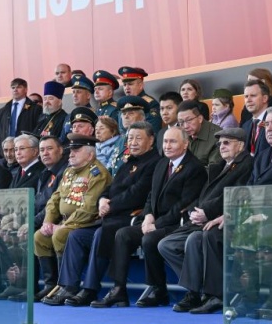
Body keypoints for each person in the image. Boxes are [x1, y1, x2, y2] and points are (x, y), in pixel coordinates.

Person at [45, 122, 160, 307]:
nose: (133, 142)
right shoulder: (129, 162)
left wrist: (110, 205)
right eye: (130, 138)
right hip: (111, 216)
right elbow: (111, 187)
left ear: (151, 140)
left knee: (101, 233)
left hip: (130, 217)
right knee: (76, 236)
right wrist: (103, 200)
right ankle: (68, 286)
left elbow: (138, 193)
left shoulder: (154, 163)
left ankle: (90, 289)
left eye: (138, 138)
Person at [92, 126, 206, 308]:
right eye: (165, 141)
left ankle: (159, 289)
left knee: (150, 239)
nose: (167, 145)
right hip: (155, 221)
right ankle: (119, 289)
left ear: (185, 144)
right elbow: (151, 196)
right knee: (123, 234)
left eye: (173, 141)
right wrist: (148, 216)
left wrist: (157, 224)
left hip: (177, 224)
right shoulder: (163, 163)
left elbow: (183, 205)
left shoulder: (195, 168)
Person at [158, 127, 253, 314]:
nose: (221, 146)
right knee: (166, 245)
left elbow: (236, 195)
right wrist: (194, 211)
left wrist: (207, 212)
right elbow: (202, 196)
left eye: (227, 143)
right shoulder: (219, 165)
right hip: (201, 219)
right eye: (219, 143)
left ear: (241, 145)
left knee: (195, 240)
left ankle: (203, 293)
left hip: (222, 220)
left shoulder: (246, 164)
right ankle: (200, 288)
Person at [34, 134, 112, 301]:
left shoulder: (97, 173)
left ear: (90, 155)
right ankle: (51, 284)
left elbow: (89, 208)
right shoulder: (69, 171)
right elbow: (54, 200)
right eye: (71, 151)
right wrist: (48, 221)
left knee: (60, 234)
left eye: (76, 151)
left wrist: (63, 226)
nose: (71, 154)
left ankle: (67, 286)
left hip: (87, 223)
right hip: (66, 221)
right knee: (40, 236)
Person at [0, 77, 41, 155]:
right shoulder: (3, 110)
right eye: (13, 88)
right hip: (6, 153)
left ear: (26, 89)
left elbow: (37, 131)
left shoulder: (35, 108)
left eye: (19, 87)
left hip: (26, 151)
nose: (15, 90)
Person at [118, 66, 161, 133]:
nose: (127, 88)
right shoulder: (122, 104)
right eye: (124, 85)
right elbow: (121, 130)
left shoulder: (151, 104)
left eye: (130, 84)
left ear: (140, 85)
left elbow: (152, 130)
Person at [176, 99, 221, 166]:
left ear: (200, 119)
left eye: (189, 120)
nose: (185, 126)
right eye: (181, 122)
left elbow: (213, 169)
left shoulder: (217, 136)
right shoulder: (180, 134)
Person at [60, 76, 95, 143]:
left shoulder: (93, 114)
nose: (75, 95)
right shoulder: (69, 116)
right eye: (73, 92)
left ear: (88, 95)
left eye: (78, 92)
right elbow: (62, 139)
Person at [241, 79, 272, 156]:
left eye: (253, 95)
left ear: (265, 98)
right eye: (246, 96)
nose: (248, 100)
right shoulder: (245, 126)